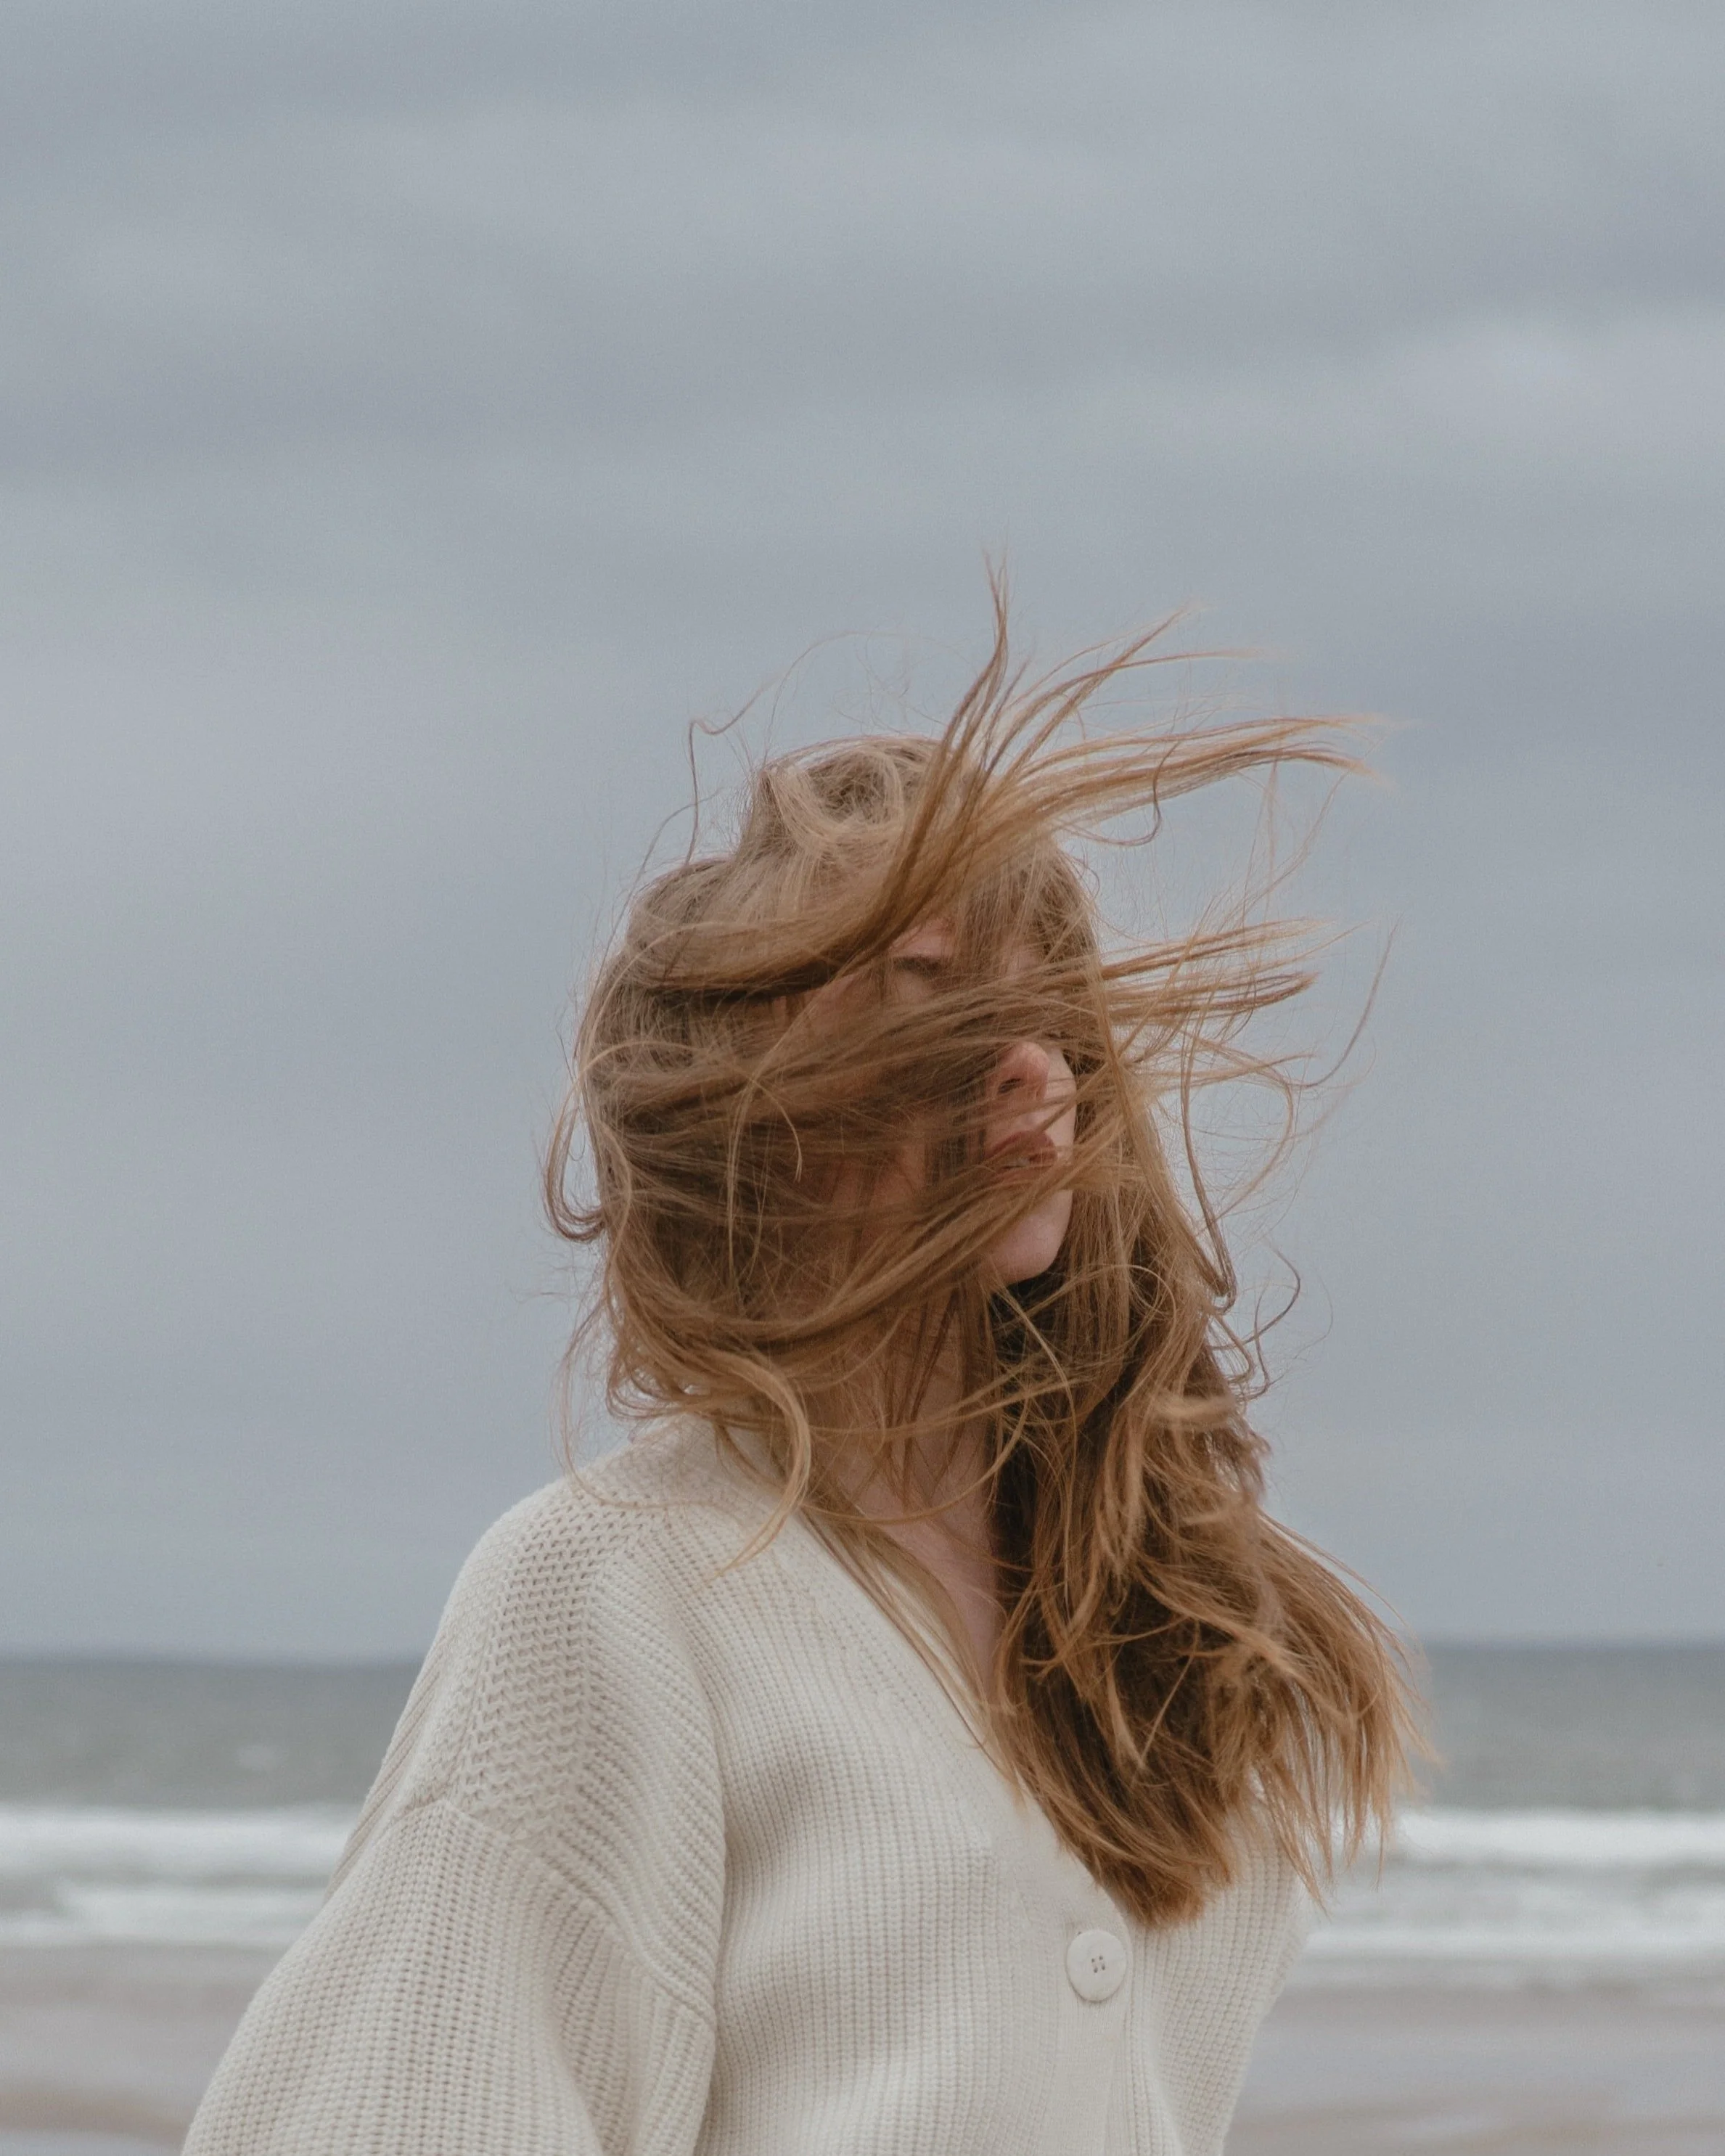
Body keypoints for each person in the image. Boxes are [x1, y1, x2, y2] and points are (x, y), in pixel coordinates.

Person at [187, 605, 1414, 2155]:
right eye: (925, 980)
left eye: (1046, 996)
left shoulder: (1171, 1626)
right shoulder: (611, 1591)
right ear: (749, 1090)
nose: (1029, 1053)